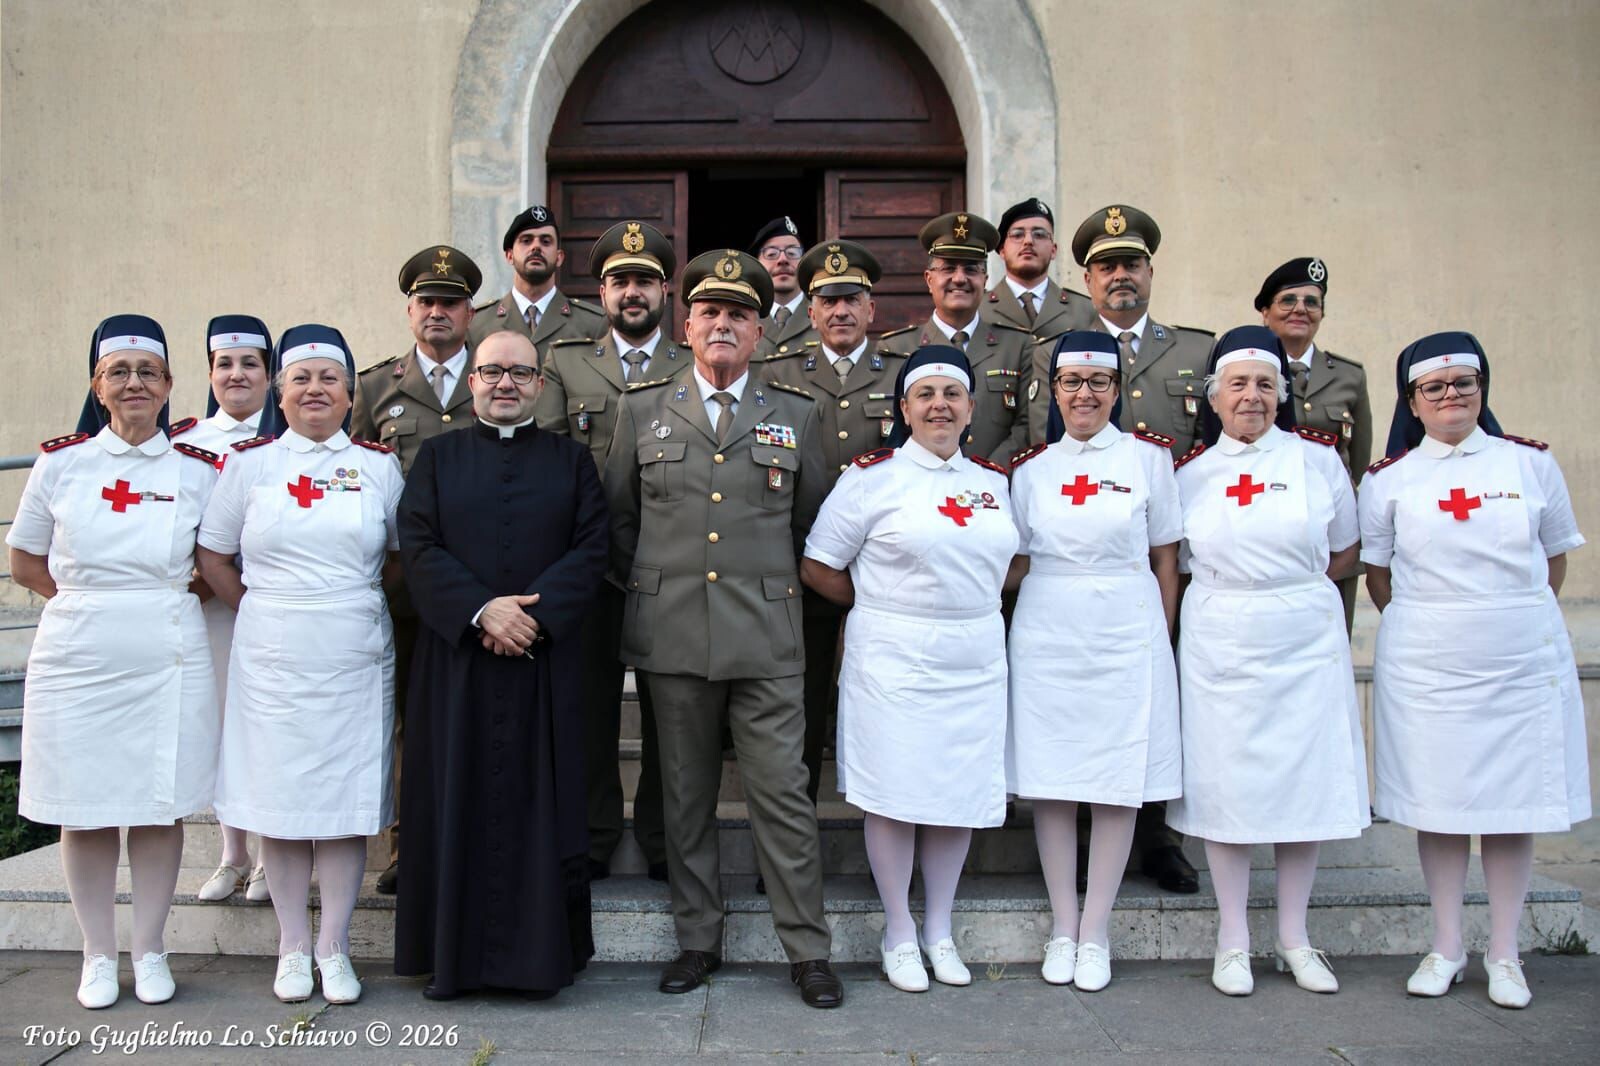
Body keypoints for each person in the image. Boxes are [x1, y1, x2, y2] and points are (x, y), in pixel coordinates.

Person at [603, 248, 843, 1009]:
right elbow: (617, 521)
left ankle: (806, 949)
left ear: (761, 330)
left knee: (784, 797)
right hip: (672, 636)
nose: (723, 325)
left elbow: (817, 530)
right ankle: (697, 940)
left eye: (739, 314)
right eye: (710, 312)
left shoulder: (798, 415)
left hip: (768, 641)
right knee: (684, 799)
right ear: (688, 323)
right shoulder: (640, 409)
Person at [1360, 331, 1589, 1009]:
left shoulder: (1529, 466)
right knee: (1441, 802)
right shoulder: (1390, 479)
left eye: (1465, 383)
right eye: (1435, 387)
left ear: (1482, 389)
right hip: (1431, 660)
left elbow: (1554, 559)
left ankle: (1506, 952)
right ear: (1413, 401)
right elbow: (1379, 571)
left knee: (1510, 806)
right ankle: (1448, 944)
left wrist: (1499, 613)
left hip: (1517, 657)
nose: (1451, 396)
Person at [7, 314, 221, 1009]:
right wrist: (87, 603)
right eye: (119, 372)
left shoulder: (198, 471)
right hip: (80, 649)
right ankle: (98, 953)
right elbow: (25, 560)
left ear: (168, 386)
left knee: (159, 806)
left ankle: (151, 947)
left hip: (168, 647)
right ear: (98, 386)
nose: (135, 384)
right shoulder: (62, 464)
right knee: (86, 806)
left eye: (148, 372)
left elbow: (218, 557)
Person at [394, 330, 608, 1000]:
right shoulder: (436, 457)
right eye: (492, 372)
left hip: (544, 666)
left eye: (520, 373)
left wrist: (531, 619)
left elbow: (594, 546)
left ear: (540, 385)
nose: (505, 383)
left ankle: (537, 961)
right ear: (472, 382)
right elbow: (417, 547)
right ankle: (453, 961)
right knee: (455, 800)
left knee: (540, 809)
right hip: (457, 667)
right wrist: (483, 611)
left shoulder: (572, 462)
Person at [196, 324, 404, 1006]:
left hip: (352, 650)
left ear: (350, 394)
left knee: (342, 807)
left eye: (329, 379)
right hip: (272, 653)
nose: (315, 390)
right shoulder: (249, 465)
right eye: (301, 379)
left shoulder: (378, 466)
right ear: (279, 393)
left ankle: (335, 946)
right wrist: (261, 609)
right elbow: (215, 555)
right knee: (279, 805)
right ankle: (291, 945)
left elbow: (401, 557)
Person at [802, 346, 1016, 994]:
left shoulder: (993, 482)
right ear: (903, 408)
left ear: (970, 408)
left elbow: (1016, 560)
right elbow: (818, 564)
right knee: (894, 796)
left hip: (974, 656)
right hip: (892, 657)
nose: (939, 406)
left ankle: (939, 929)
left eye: (952, 394)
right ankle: (898, 930)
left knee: (954, 797)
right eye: (925, 394)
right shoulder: (872, 479)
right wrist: (880, 604)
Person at [1167, 325, 1369, 997]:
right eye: (1238, 385)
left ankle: (1294, 937)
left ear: (1281, 394)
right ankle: (1233, 940)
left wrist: (1288, 591)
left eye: (1264, 385)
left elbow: (1344, 549)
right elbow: (1180, 559)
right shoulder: (1190, 474)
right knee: (1227, 788)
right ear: (1214, 397)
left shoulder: (1317, 462)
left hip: (1302, 636)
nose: (1251, 397)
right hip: (1221, 633)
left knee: (1300, 785)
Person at [1030, 203, 1211, 896]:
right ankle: (1073, 843)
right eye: (1106, 266)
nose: (1120, 276)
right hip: (1064, 558)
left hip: (1155, 552)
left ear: (1149, 272)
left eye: (1131, 263)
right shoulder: (1054, 346)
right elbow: (1032, 437)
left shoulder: (1193, 351)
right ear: (1088, 277)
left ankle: (1157, 839)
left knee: (1150, 715)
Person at [1006, 331, 1182, 992]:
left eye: (1098, 382)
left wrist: (1158, 640)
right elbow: (1015, 562)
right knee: (1051, 781)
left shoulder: (1149, 461)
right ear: (1054, 390)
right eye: (1072, 381)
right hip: (1049, 627)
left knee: (1116, 780)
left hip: (1125, 627)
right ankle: (1062, 924)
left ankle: (1096, 929)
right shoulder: (1030, 469)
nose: (1085, 394)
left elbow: (1165, 558)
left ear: (1117, 389)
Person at [537, 220, 683, 882]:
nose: (632, 292)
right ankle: (595, 836)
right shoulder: (566, 362)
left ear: (665, 291)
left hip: (671, 567)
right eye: (620, 281)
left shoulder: (690, 365)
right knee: (589, 712)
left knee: (670, 715)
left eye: (645, 281)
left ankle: (660, 838)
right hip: (590, 570)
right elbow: (549, 462)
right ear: (601, 290)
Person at [352, 245, 484, 896]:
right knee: (410, 716)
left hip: (486, 577)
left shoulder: (496, 375)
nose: (438, 312)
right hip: (406, 585)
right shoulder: (376, 388)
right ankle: (410, 844)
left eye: (450, 302)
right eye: (426, 301)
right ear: (410, 310)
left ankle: (482, 835)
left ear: (469, 312)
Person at [762, 238, 906, 802]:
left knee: (888, 709)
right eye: (828, 300)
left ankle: (887, 827)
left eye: (852, 299)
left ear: (872, 309)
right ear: (810, 310)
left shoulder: (900, 373)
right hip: (803, 568)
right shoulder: (774, 374)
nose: (841, 311)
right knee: (800, 707)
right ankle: (796, 833)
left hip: (887, 572)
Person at [176, 315, 274, 906]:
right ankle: (232, 854)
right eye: (224, 364)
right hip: (211, 609)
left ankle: (270, 856)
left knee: (266, 725)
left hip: (271, 605)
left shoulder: (290, 437)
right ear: (209, 373)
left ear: (269, 374)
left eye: (250, 364)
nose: (236, 375)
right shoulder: (185, 442)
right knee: (221, 726)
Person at [1256, 256, 1372, 631]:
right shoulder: (1248, 372)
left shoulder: (1349, 377)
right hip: (1266, 526)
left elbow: (1356, 460)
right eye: (1288, 300)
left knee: (1331, 637)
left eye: (1311, 301)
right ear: (1265, 311)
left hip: (1331, 536)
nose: (1300, 310)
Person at [878, 211, 1034, 465]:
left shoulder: (1018, 346)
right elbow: (892, 428)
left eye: (971, 269)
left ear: (985, 280)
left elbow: (1027, 424)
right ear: (929, 279)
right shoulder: (896, 348)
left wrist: (988, 473)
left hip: (998, 486)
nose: (959, 278)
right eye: (948, 268)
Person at [467, 203, 606, 361]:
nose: (536, 247)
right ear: (509, 256)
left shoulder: (592, 323)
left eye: (546, 242)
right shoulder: (478, 323)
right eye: (526, 241)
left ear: (559, 257)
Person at [983, 197, 1094, 340]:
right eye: (1017, 235)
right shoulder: (978, 309)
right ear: (1002, 250)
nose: (1028, 241)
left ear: (1054, 250)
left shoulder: (1084, 310)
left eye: (1039, 235)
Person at [752, 216, 814, 358]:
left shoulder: (823, 316)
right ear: (757, 265)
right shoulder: (745, 319)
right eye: (771, 254)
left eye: (792, 253)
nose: (783, 260)